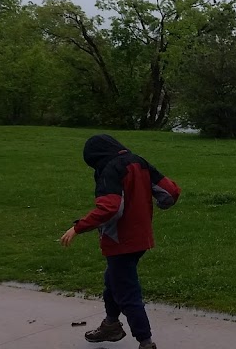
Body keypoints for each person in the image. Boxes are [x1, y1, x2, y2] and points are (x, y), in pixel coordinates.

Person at [60, 134, 181, 349]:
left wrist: (78, 227)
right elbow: (170, 192)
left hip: (120, 242)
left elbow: (110, 207)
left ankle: (146, 342)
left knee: (127, 293)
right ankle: (111, 325)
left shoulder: (109, 170)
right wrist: (159, 204)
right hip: (141, 239)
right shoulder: (139, 161)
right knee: (112, 282)